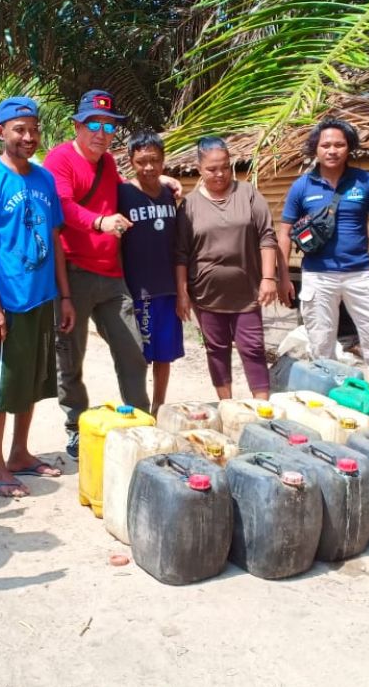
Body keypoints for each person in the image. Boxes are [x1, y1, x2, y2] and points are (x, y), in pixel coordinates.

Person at [43, 89, 182, 458]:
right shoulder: (60, 158)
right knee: (70, 356)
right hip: (72, 273)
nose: (101, 133)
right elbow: (62, 206)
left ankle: (138, 421)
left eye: (108, 126)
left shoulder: (107, 164)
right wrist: (99, 221)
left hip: (112, 274)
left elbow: (121, 191)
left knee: (133, 350)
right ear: (77, 125)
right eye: (93, 124)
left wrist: (162, 182)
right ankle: (75, 425)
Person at [0, 96, 76, 497]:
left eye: (33, 129)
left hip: (42, 296)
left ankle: (19, 454)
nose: (28, 137)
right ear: (1, 132)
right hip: (10, 300)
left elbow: (54, 238)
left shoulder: (44, 178)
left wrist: (64, 296)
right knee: (2, 384)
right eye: (19, 129)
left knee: (33, 380)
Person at [277, 117, 369, 366]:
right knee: (321, 347)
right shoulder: (301, 186)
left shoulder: (365, 181)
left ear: (349, 148)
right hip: (318, 276)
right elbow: (284, 232)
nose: (332, 150)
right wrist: (282, 276)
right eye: (326, 145)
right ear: (315, 148)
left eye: (339, 145)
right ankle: (326, 397)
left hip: (360, 274)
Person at [175, 137, 278, 399]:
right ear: (199, 168)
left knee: (253, 347)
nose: (219, 174)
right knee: (216, 349)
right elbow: (181, 253)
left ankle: (261, 409)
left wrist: (268, 277)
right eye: (212, 169)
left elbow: (267, 236)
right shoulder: (189, 205)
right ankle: (227, 405)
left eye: (225, 167)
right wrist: (182, 291)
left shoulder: (248, 194)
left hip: (247, 291)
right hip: (207, 295)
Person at [118, 130, 184, 415]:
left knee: (164, 354)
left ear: (163, 161)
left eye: (155, 161)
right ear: (131, 161)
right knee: (137, 356)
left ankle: (158, 406)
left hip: (167, 288)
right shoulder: (122, 193)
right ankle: (136, 407)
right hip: (138, 290)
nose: (149, 167)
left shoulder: (171, 193)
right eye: (142, 161)